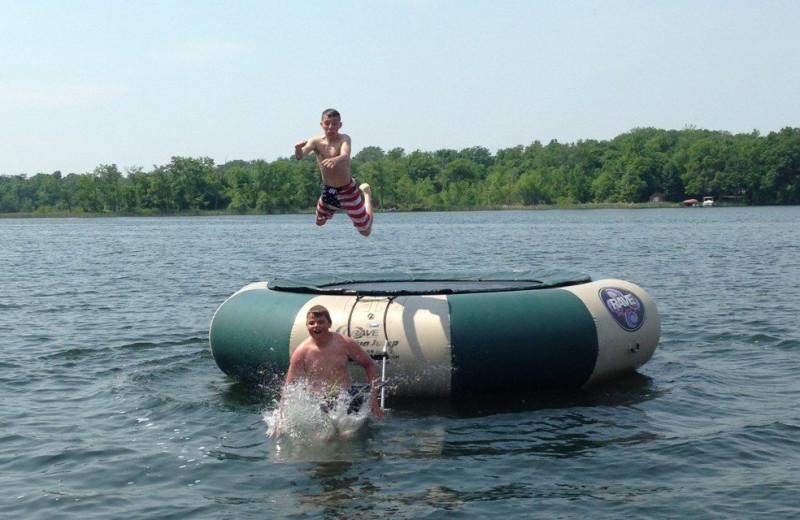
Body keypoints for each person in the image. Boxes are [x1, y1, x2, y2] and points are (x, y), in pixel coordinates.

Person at [280, 305, 384, 421]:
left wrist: (374, 398)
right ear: (306, 326)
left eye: (320, 322)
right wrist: (280, 417)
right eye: (312, 323)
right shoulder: (301, 352)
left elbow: (369, 365)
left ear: (329, 324)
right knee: (325, 437)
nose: (316, 326)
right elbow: (289, 386)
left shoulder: (344, 343)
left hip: (345, 397)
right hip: (317, 401)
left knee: (347, 435)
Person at [294, 109, 373, 236]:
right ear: (321, 124)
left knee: (366, 232)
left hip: (347, 190)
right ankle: (325, 204)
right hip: (329, 190)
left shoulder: (344, 139)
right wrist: (297, 149)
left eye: (334, 123)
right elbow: (300, 156)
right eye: (327, 123)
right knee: (319, 223)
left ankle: (367, 194)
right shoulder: (315, 142)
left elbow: (345, 155)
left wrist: (336, 159)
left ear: (340, 125)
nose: (330, 127)